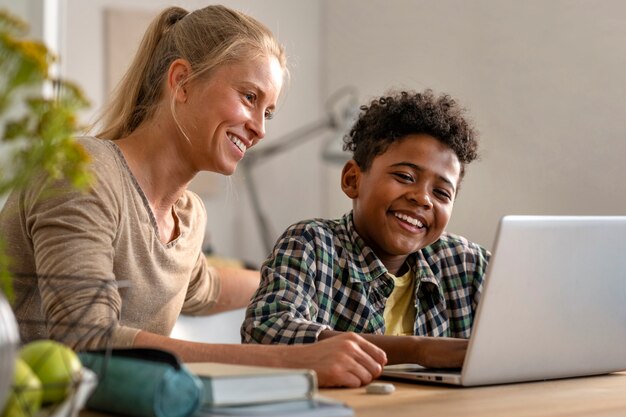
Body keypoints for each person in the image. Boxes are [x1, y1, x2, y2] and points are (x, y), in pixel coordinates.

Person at [0, 5, 387, 388]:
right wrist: (287, 360)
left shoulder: (189, 214)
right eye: (249, 97)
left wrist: (307, 278)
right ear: (182, 82)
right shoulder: (81, 173)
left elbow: (205, 286)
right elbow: (86, 339)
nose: (260, 129)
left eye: (268, 112)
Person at [242, 90, 490, 368]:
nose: (423, 198)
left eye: (442, 193)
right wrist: (417, 350)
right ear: (352, 180)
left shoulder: (469, 264)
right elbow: (265, 332)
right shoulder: (311, 244)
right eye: (405, 176)